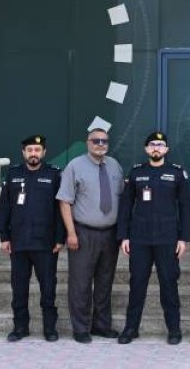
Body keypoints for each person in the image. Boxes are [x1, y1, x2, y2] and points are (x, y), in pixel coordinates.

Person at [117, 131, 190, 345]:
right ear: (146, 149)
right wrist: (124, 236)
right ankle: (131, 328)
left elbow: (185, 207)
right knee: (137, 285)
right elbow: (126, 206)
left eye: (160, 144)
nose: (156, 148)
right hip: (140, 238)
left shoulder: (176, 173)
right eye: (152, 144)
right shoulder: (136, 172)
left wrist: (183, 238)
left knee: (169, 284)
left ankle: (174, 329)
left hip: (167, 238)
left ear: (166, 149)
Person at [0, 135, 66, 342]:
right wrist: (4, 236)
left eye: (37, 150)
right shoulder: (13, 174)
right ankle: (20, 327)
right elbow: (4, 207)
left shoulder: (54, 175)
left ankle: (49, 328)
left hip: (46, 243)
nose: (33, 153)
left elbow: (60, 209)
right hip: (19, 242)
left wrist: (60, 238)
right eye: (29, 150)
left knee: (48, 289)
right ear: (23, 153)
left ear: (44, 152)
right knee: (19, 288)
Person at [57, 127, 123, 342]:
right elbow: (65, 202)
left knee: (105, 282)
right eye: (96, 141)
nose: (100, 144)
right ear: (88, 142)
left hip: (110, 234)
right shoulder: (75, 166)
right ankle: (80, 328)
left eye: (104, 141)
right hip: (83, 233)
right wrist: (71, 233)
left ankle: (101, 326)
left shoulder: (115, 166)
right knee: (81, 283)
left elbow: (121, 199)